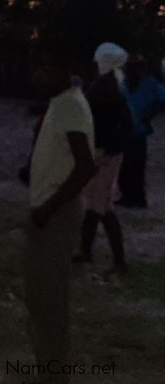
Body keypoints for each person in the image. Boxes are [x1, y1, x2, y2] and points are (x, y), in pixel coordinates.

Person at [24, 43, 96, 383]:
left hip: (56, 214)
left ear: (67, 68)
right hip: (49, 211)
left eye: (47, 66)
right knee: (42, 299)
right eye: (36, 66)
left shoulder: (69, 103)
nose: (38, 73)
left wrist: (48, 210)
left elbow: (86, 167)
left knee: (49, 302)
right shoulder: (61, 101)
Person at [75, 43, 133, 274]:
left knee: (99, 205)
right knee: (100, 204)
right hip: (110, 151)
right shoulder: (113, 85)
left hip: (104, 153)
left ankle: (103, 257)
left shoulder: (103, 87)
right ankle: (95, 254)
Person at [117, 55, 165, 208]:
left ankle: (137, 198)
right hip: (124, 130)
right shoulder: (123, 82)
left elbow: (161, 99)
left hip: (138, 130)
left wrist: (148, 115)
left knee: (136, 165)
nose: (131, 70)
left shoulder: (149, 83)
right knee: (124, 165)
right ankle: (126, 195)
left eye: (135, 67)